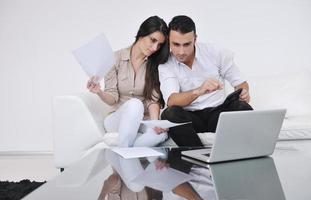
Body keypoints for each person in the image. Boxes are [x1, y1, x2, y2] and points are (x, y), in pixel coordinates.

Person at [159, 15, 253, 147]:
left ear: (195, 39)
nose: (181, 51)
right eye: (176, 44)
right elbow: (172, 100)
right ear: (169, 40)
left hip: (218, 114)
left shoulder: (216, 52)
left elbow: (240, 83)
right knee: (169, 114)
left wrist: (244, 93)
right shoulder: (166, 63)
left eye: (187, 44)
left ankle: (237, 156)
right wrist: (199, 91)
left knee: (242, 107)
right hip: (190, 117)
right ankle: (198, 156)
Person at [87, 16, 169, 147]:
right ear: (142, 34)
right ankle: (127, 148)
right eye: (152, 40)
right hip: (117, 119)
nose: (155, 48)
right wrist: (99, 92)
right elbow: (112, 98)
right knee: (135, 105)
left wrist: (155, 123)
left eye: (159, 45)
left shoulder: (154, 64)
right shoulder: (115, 58)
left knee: (161, 134)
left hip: (143, 119)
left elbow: (153, 99)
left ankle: (125, 151)